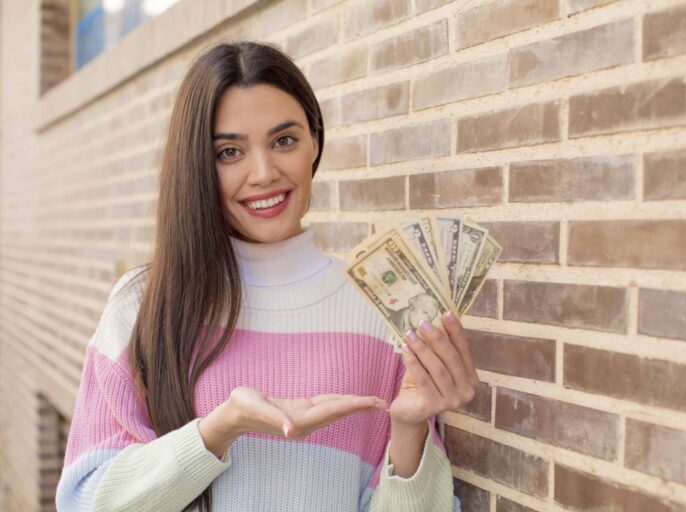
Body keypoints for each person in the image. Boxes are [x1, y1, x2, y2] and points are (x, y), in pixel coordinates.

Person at [55, 40, 480, 512]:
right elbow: (84, 501)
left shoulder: (383, 308)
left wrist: (410, 429)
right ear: (197, 166)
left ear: (314, 142)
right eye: (230, 152)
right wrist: (219, 429)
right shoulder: (143, 305)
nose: (263, 173)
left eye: (284, 141)